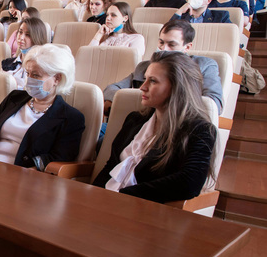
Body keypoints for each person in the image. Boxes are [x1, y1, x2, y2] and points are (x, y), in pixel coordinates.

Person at [92, 51, 217, 204]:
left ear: (176, 87)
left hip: (144, 209)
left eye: (152, 81)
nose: (142, 87)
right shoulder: (134, 120)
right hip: (110, 202)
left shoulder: (200, 130)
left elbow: (189, 183)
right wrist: (92, 198)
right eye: (145, 79)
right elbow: (111, 166)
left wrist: (121, 197)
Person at [0, 44, 84, 171]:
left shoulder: (71, 118)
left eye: (36, 75)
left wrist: (28, 173)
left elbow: (59, 157)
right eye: (28, 73)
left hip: (20, 175)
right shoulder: (15, 97)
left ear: (57, 78)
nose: (29, 79)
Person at [103, 19, 223, 115]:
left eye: (171, 44)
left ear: (187, 47)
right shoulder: (145, 66)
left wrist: (157, 100)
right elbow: (111, 89)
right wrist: (139, 100)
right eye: (161, 42)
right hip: (139, 120)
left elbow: (214, 104)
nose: (163, 49)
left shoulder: (204, 65)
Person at [2, 17, 48, 89]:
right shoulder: (7, 63)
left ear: (37, 38)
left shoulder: (41, 67)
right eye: (20, 32)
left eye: (28, 35)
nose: (21, 37)